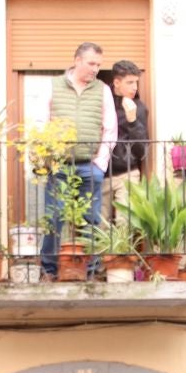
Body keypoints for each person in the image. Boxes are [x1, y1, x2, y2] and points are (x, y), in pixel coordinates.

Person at [39, 41, 116, 278]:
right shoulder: (52, 86)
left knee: (91, 219)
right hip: (59, 166)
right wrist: (46, 159)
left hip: (88, 166)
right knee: (54, 217)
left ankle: (89, 270)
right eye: (92, 63)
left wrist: (100, 163)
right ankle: (50, 270)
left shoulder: (102, 89)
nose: (95, 69)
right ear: (77, 60)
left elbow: (110, 129)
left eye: (99, 65)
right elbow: (40, 123)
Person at [103, 59, 149, 214]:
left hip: (127, 173)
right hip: (101, 174)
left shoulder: (138, 108)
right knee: (99, 227)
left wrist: (133, 121)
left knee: (126, 223)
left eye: (136, 82)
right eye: (129, 82)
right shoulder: (102, 102)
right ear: (116, 82)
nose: (135, 87)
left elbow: (142, 151)